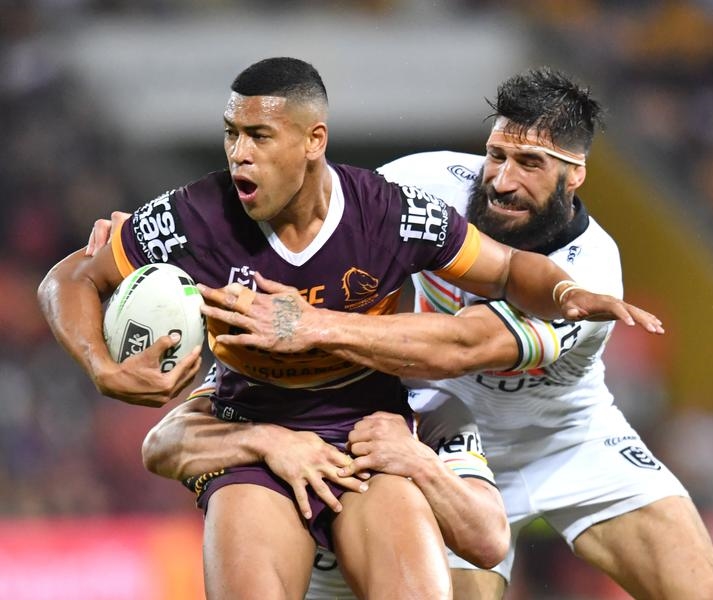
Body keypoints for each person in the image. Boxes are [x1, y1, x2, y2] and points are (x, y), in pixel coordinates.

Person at [39, 57, 661, 600]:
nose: (239, 154)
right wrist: (99, 363)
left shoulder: (390, 212)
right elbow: (68, 280)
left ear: (314, 140)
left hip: (367, 430)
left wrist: (565, 291)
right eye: (231, 134)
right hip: (250, 425)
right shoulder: (191, 218)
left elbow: (506, 270)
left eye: (259, 135)